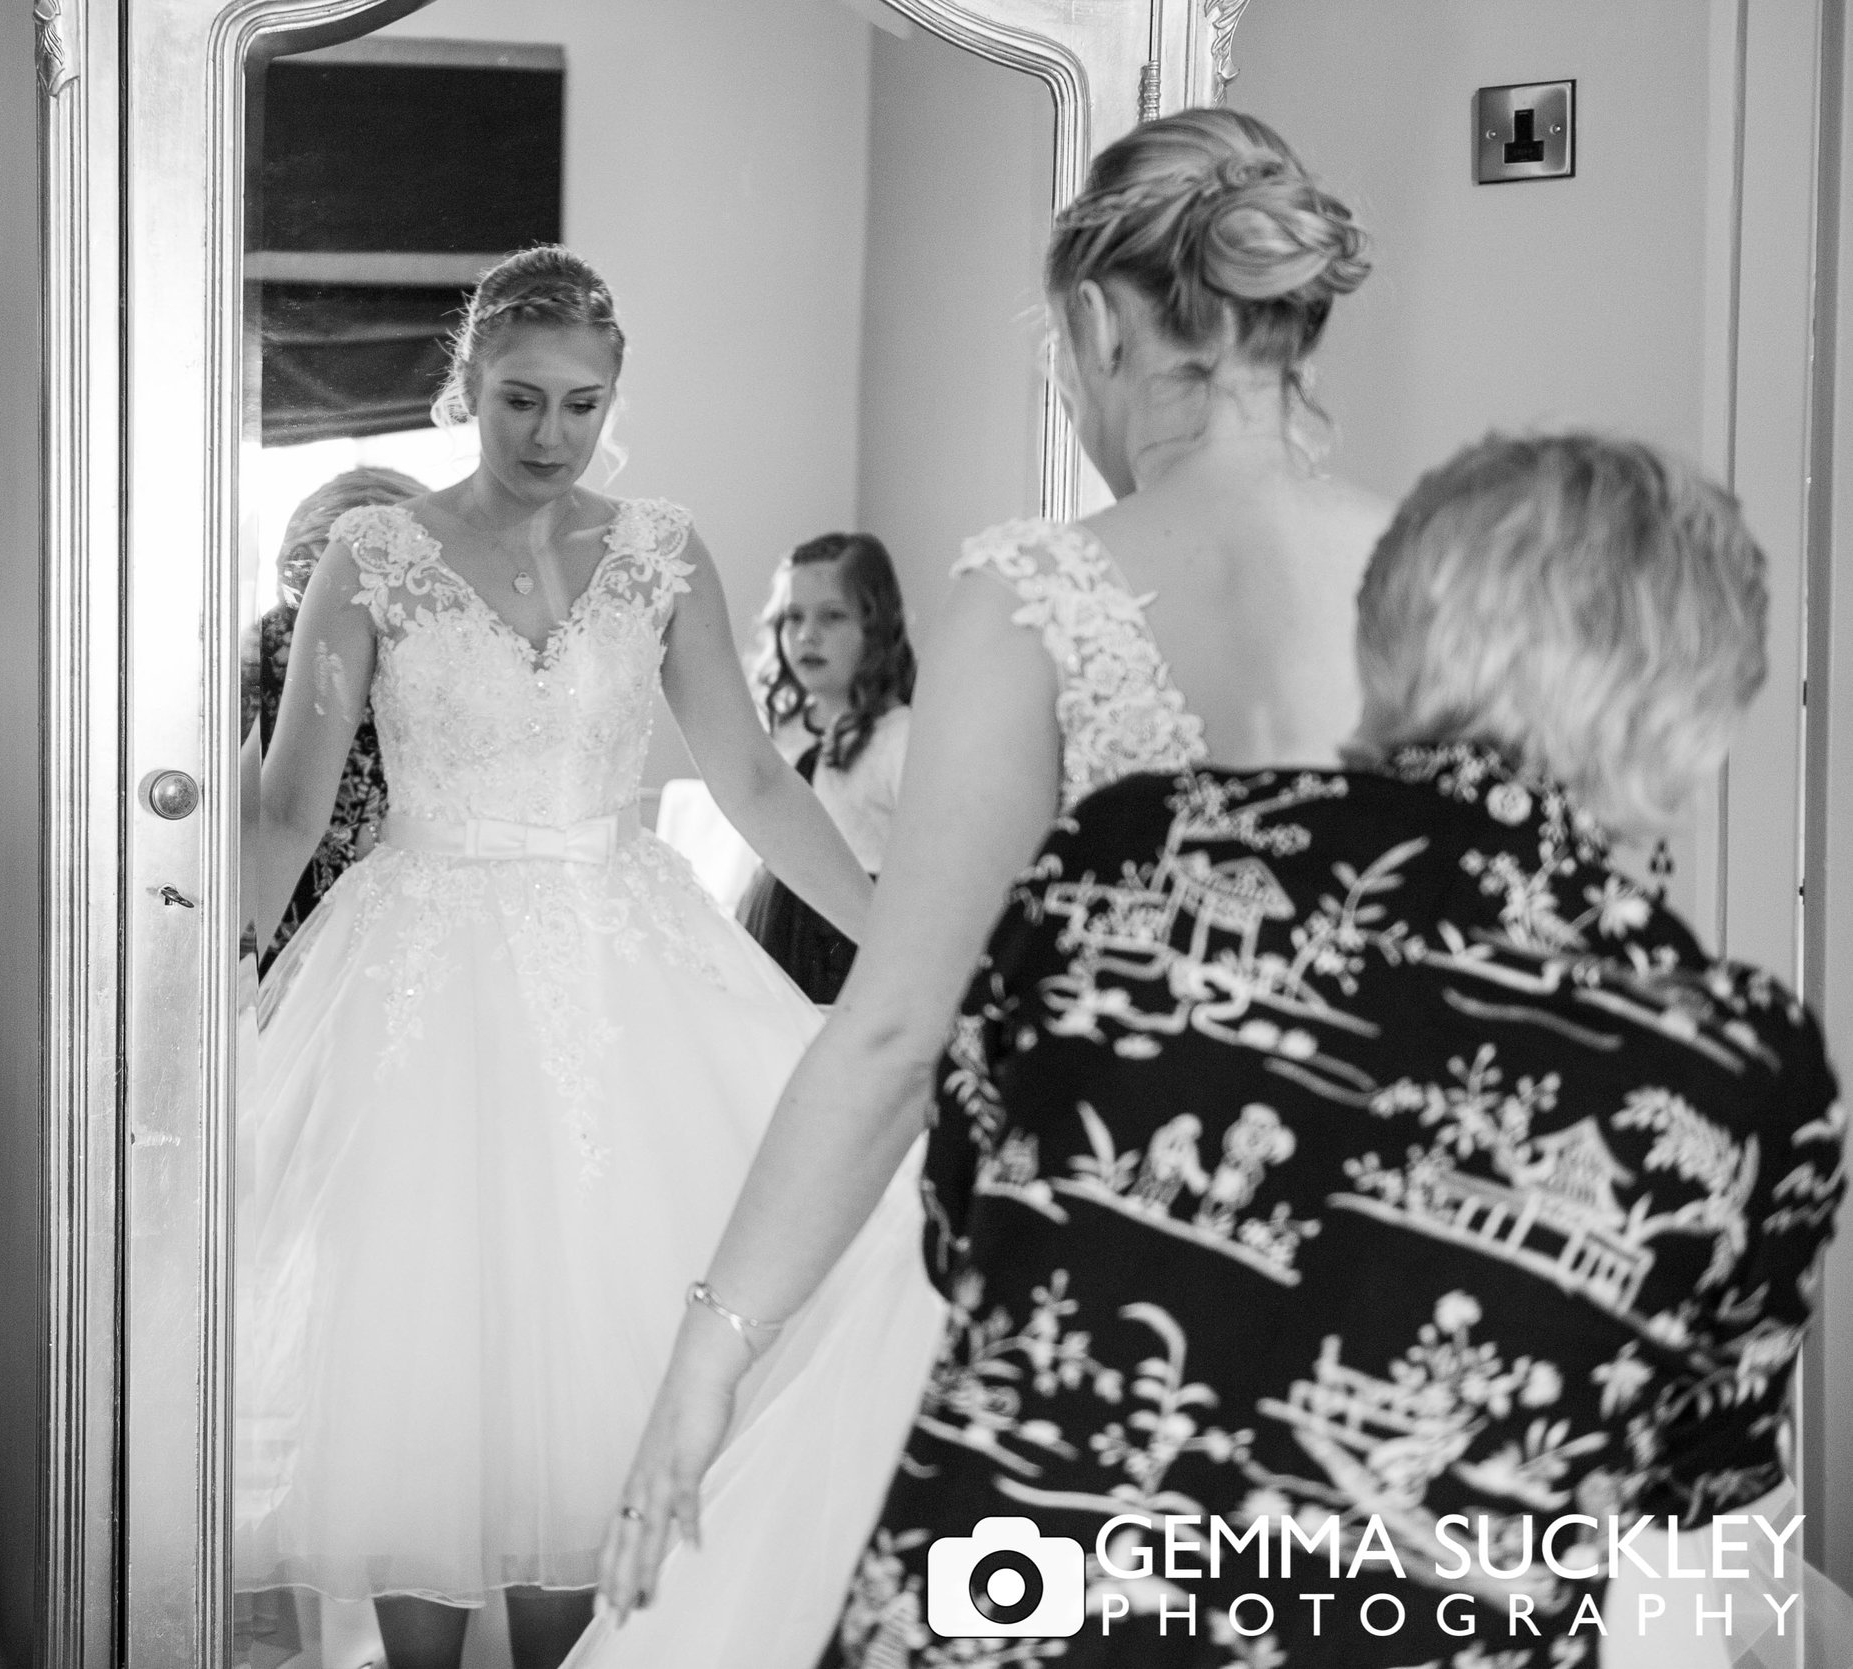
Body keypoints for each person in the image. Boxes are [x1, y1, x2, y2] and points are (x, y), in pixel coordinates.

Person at [582, 107, 1384, 1667]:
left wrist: (712, 1345)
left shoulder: (1041, 595)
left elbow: (895, 1033)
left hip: (1080, 1277)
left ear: (1094, 320)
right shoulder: (1449, 570)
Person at [839, 432, 1844, 1664]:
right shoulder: (1737, 1065)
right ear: (1696, 712)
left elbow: (963, 1225)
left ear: (1383, 639)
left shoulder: (1126, 850)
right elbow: (1693, 1481)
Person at [232, 244, 875, 1669]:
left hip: (616, 971)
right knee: (414, 1357)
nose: (548, 435)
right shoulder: (374, 556)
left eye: (581, 405)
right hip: (417, 977)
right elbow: (284, 810)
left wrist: (901, 937)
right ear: (465, 386)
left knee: (608, 1355)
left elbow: (756, 783)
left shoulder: (661, 553)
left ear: (615, 397)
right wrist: (194, 982)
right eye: (520, 398)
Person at [240, 465, 424, 970]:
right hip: (281, 905)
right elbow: (261, 814)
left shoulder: (432, 664)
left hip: (405, 912)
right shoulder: (259, 659)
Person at [738, 533, 917, 1004]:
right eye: (792, 618)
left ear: (877, 626)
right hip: (773, 920)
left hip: (845, 934)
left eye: (832, 616)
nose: (806, 635)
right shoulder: (782, 731)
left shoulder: (900, 739)